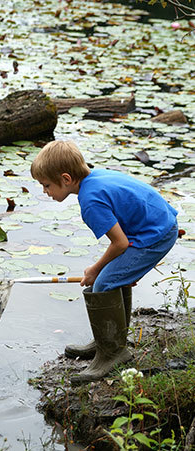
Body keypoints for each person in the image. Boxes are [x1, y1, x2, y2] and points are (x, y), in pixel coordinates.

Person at [30, 140, 178, 384]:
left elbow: (119, 244)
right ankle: (107, 340)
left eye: (46, 185)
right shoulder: (95, 177)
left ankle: (113, 353)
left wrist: (96, 269)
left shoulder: (90, 201)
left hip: (155, 235)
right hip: (158, 224)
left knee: (104, 283)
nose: (45, 191)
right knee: (112, 276)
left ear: (66, 179)